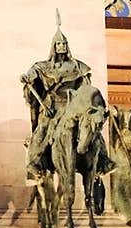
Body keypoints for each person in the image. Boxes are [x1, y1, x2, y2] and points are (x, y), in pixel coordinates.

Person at [20, 14, 92, 182]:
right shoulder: (43, 66)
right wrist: (27, 77)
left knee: (93, 132)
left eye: (64, 44)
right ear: (54, 46)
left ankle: (102, 161)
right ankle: (33, 162)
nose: (62, 46)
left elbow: (86, 86)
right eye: (59, 44)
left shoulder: (77, 66)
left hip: (70, 106)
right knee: (42, 132)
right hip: (51, 107)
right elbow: (33, 72)